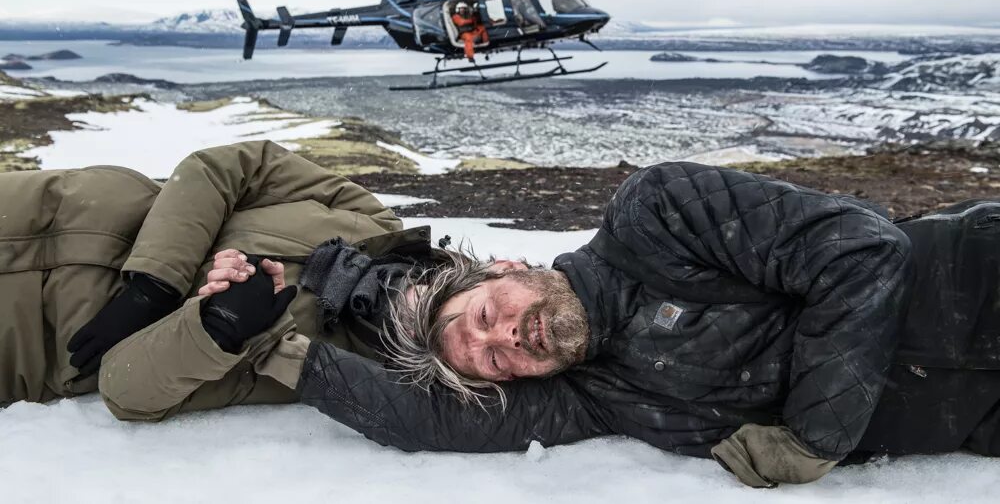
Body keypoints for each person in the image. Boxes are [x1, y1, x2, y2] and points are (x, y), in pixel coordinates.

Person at [281, 162, 1000, 488]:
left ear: (503, 266)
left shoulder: (652, 216)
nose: (509, 339)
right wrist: (265, 345)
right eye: (494, 362)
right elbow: (427, 421)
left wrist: (814, 438)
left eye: (489, 315)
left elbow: (862, 251)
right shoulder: (595, 398)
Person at [0, 140, 431, 418]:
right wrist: (155, 282)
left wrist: (218, 329)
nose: (496, 336)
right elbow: (228, 167)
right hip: (49, 210)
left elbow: (128, 390)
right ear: (499, 269)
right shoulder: (376, 222)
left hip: (30, 343)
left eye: (495, 362)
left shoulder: (332, 362)